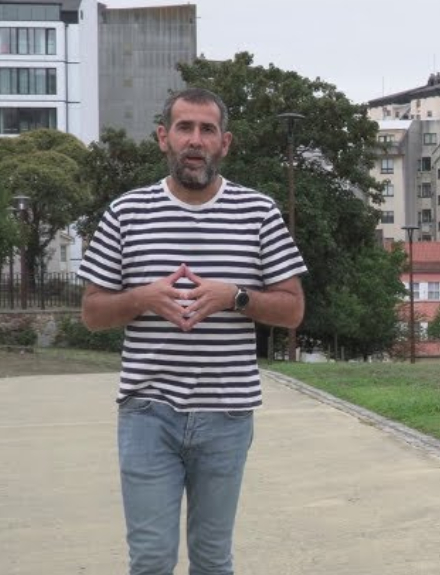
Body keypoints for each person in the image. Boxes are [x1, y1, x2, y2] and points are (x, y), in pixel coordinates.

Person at [78, 87, 307, 575]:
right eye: (185, 128)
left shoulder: (259, 213)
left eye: (207, 130)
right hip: (147, 413)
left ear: (226, 142)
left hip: (226, 413)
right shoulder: (126, 213)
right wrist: (143, 298)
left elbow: (292, 311)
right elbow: (92, 313)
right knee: (152, 559)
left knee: (211, 559)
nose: (195, 140)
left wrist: (236, 297)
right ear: (164, 137)